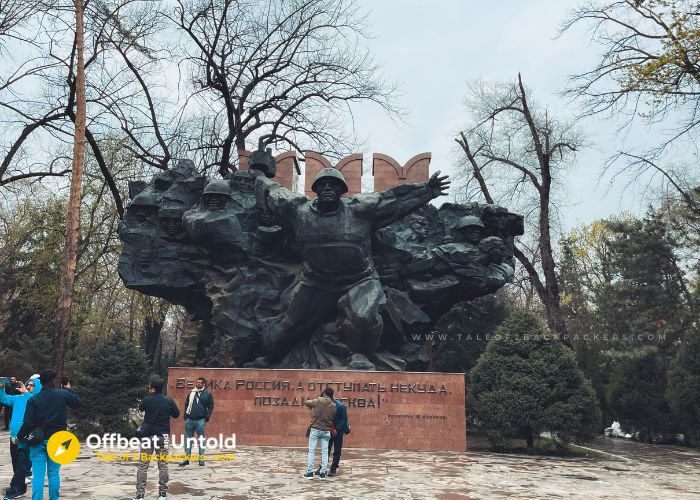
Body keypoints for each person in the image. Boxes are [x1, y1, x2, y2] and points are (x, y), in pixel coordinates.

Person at [251, 167, 450, 362]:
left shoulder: (360, 210)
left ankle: (360, 354)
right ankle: (270, 358)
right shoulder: (298, 210)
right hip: (317, 280)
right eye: (323, 185)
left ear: (342, 191)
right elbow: (273, 192)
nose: (328, 188)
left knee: (363, 316)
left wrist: (427, 190)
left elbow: (393, 200)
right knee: (289, 324)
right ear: (316, 190)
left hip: (360, 279)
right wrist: (259, 175)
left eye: (334, 185)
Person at [18, 370, 79, 500]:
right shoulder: (62, 395)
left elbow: (28, 423)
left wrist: (19, 436)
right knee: (54, 473)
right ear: (54, 381)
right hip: (58, 440)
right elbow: (76, 403)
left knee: (38, 475)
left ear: (40, 383)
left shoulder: (34, 400)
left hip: (38, 440)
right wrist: (69, 389)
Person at [133, 378, 180, 500]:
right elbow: (176, 414)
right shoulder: (168, 401)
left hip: (147, 436)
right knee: (163, 465)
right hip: (162, 436)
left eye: (149, 387)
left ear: (153, 388)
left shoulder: (147, 400)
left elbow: (141, 408)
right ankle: (162, 494)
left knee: (143, 465)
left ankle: (140, 495)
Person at [0, 375, 42, 499]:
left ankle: (16, 488)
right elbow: (4, 399)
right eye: (27, 384)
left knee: (21, 464)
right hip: (14, 436)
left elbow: (36, 404)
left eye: (31, 385)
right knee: (15, 463)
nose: (28, 386)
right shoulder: (18, 398)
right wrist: (1, 388)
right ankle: (20, 486)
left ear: (37, 387)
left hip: (26, 437)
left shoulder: (36, 399)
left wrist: (26, 393)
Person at [179, 376, 214, 467]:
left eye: (200, 382)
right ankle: (186, 458)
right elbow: (186, 404)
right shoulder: (191, 392)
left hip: (200, 420)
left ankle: (201, 459)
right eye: (197, 382)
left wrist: (207, 417)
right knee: (187, 440)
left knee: (201, 440)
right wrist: (185, 416)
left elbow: (211, 406)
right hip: (189, 419)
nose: (198, 384)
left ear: (203, 384)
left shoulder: (207, 394)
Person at [303, 387, 337, 479]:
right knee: (325, 452)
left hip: (315, 430)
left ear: (324, 393)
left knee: (311, 451)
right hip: (326, 431)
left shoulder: (318, 401)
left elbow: (307, 402)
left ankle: (310, 472)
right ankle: (323, 473)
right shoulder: (334, 406)